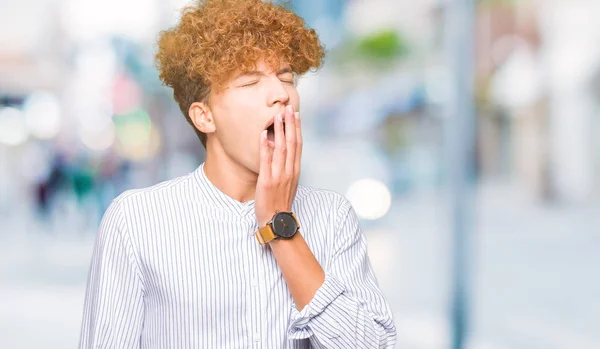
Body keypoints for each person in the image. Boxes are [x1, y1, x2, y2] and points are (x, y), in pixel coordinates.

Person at [78, 0, 397, 348]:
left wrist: (280, 224)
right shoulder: (135, 222)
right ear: (205, 117)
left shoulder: (332, 217)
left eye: (287, 78)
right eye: (250, 83)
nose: (281, 95)